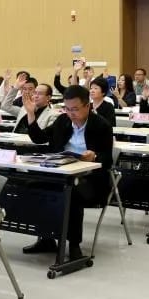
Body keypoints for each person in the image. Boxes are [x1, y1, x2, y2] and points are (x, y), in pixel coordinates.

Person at [22, 85, 113, 260]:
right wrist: (31, 113)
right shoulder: (63, 121)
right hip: (61, 174)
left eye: (75, 109)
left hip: (91, 180)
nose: (71, 113)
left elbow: (108, 159)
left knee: (71, 193)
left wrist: (94, 156)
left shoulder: (101, 125)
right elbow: (40, 138)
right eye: (67, 109)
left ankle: (74, 245)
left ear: (87, 106)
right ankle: (46, 238)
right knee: (36, 186)